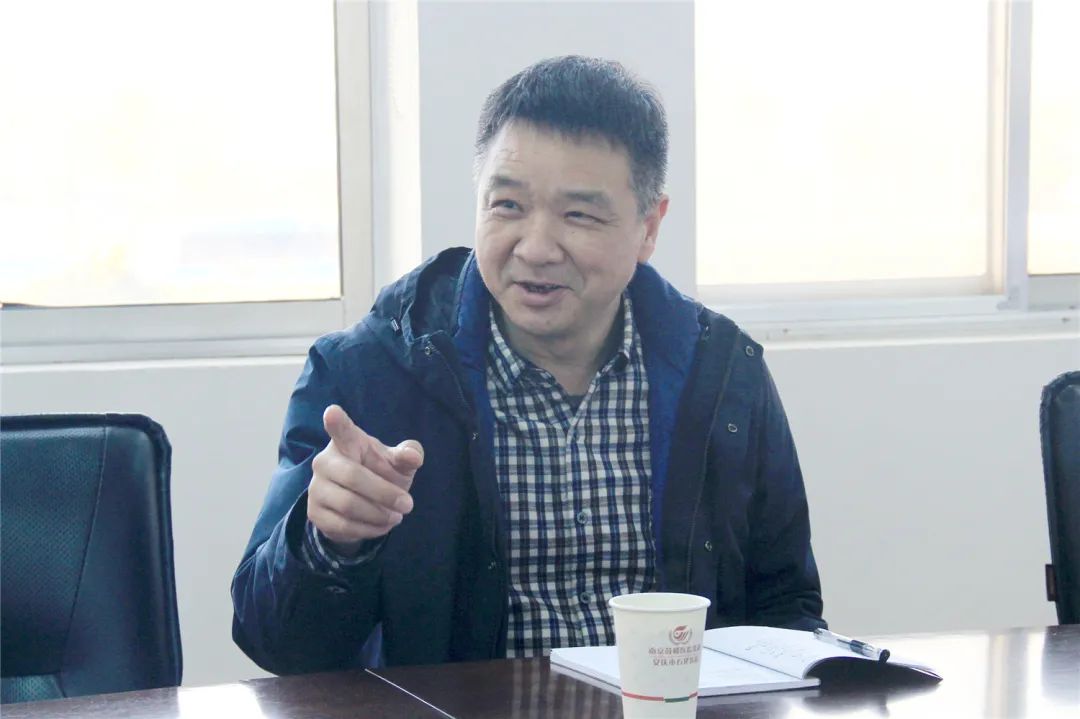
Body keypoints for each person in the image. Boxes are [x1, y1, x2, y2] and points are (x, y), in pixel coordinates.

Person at [231, 55, 825, 674]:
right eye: (508, 205)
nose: (536, 248)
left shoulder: (723, 374)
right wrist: (329, 541)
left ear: (649, 227)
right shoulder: (369, 374)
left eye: (579, 215)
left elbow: (786, 606)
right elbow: (274, 643)